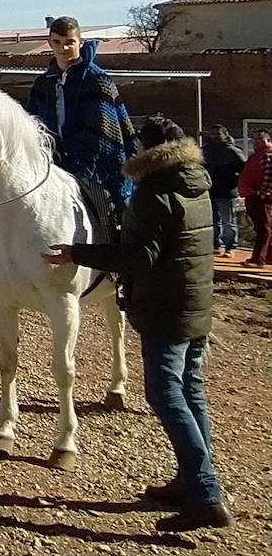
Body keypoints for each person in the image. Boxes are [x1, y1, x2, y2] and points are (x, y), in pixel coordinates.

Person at [42, 114, 230, 532]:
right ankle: (192, 481)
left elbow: (136, 259)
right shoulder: (196, 185)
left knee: (165, 396)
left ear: (150, 151)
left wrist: (78, 253)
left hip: (164, 309)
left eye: (138, 147)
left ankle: (205, 493)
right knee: (191, 392)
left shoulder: (152, 194)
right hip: (196, 306)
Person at [24, 17, 139, 221]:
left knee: (105, 215)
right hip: (50, 162)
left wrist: (66, 149)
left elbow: (103, 135)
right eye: (57, 42)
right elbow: (33, 124)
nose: (64, 48)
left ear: (80, 42)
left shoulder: (98, 81)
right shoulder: (43, 84)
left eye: (70, 42)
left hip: (91, 166)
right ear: (50, 43)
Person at [201, 126, 244, 257]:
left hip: (226, 191)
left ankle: (231, 246)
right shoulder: (205, 150)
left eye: (218, 134)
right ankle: (216, 244)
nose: (214, 136)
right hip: (210, 190)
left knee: (228, 220)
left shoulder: (233, 152)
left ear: (225, 134)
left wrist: (233, 182)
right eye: (212, 133)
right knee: (213, 220)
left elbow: (243, 169)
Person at [236, 129, 271, 267]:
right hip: (251, 195)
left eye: (259, 139)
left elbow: (268, 178)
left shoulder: (267, 155)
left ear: (267, 140)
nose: (255, 142)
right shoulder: (257, 155)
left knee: (264, 228)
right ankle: (268, 255)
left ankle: (258, 259)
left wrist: (261, 194)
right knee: (262, 227)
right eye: (254, 139)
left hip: (260, 197)